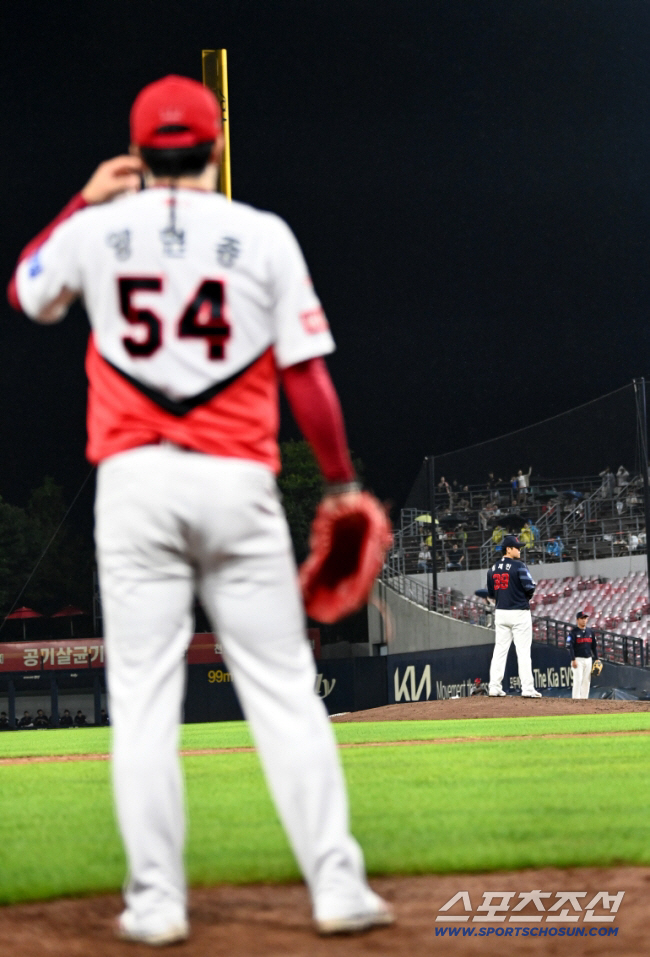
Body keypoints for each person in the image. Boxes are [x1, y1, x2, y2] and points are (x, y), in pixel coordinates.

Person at [9, 75, 392, 945]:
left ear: (139, 155)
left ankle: (156, 903)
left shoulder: (98, 230)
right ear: (216, 148)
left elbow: (28, 290)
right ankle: (336, 887)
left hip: (135, 485)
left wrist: (81, 199)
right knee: (287, 694)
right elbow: (308, 377)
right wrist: (338, 482)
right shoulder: (261, 234)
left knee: (141, 699)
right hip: (235, 482)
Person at [486, 535, 541, 698]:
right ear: (508, 549)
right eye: (517, 547)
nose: (519, 550)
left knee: (499, 651)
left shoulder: (493, 568)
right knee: (523, 652)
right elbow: (529, 588)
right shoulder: (519, 566)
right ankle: (527, 689)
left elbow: (491, 593)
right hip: (519, 612)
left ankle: (494, 687)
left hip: (501, 612)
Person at [566, 611, 599, 699]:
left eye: (585, 618)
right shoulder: (573, 632)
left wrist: (597, 659)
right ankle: (576, 699)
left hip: (588, 659)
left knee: (586, 681)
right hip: (578, 659)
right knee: (578, 680)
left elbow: (594, 646)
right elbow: (570, 647)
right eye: (582, 618)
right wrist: (573, 659)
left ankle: (584, 699)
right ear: (577, 620)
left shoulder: (590, 632)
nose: (584, 620)